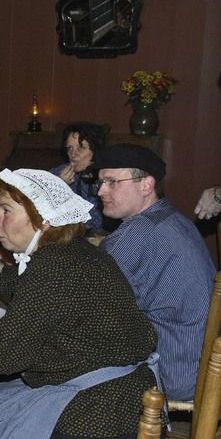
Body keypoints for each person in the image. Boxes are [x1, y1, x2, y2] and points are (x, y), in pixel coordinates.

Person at [0, 168, 158, 439]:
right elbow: (46, 301)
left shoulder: (52, 265)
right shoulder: (75, 250)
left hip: (97, 411)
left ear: (42, 220)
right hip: (126, 391)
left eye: (6, 211)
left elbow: (0, 355)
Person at [96, 143, 216, 401]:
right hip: (200, 366)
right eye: (100, 182)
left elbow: (91, 298)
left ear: (146, 186)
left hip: (174, 372)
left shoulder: (141, 232)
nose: (101, 190)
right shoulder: (170, 218)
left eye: (111, 182)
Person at [50, 122, 107, 234]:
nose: (73, 154)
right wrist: (58, 185)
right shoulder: (59, 173)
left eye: (81, 147)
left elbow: (96, 223)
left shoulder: (107, 177)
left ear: (95, 150)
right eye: (69, 148)